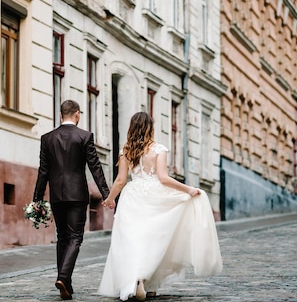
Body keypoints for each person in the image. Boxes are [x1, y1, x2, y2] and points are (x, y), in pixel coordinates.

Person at [98, 112, 222, 301]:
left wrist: (110, 198)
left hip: (132, 197)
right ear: (151, 128)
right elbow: (163, 178)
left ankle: (138, 280)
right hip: (154, 197)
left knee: (131, 240)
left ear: (132, 128)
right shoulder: (158, 149)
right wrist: (187, 189)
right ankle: (149, 282)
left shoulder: (126, 151)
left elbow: (121, 180)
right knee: (154, 240)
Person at [33, 99, 111, 300]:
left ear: (61, 115)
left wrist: (37, 199)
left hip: (57, 195)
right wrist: (106, 193)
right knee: (75, 237)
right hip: (77, 195)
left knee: (62, 236)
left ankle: (65, 283)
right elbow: (95, 167)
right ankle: (63, 276)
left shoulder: (47, 138)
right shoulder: (84, 136)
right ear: (77, 114)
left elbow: (43, 171)